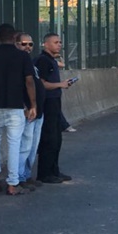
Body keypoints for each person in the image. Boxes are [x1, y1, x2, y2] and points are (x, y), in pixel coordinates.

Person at [0, 23, 36, 195]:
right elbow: (29, 81)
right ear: (14, 38)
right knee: (14, 143)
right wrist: (33, 104)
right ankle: (12, 183)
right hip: (16, 107)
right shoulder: (22, 57)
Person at [36, 32, 72, 184]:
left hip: (55, 101)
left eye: (60, 42)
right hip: (47, 103)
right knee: (49, 138)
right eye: (56, 42)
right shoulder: (43, 60)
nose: (59, 45)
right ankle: (44, 173)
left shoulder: (52, 61)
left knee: (57, 138)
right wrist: (60, 85)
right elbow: (41, 83)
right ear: (46, 44)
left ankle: (54, 170)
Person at [15, 32, 44, 191]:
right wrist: (25, 107)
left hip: (38, 111)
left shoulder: (31, 64)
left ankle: (26, 175)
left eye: (30, 44)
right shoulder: (17, 63)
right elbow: (17, 87)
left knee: (33, 146)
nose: (27, 47)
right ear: (16, 44)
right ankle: (18, 177)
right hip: (28, 112)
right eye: (23, 44)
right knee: (25, 145)